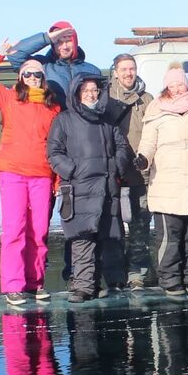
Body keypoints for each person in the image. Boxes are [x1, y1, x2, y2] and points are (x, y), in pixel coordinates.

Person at [0, 44, 63, 306]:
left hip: (42, 175)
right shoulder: (9, 98)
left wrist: (57, 178)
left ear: (43, 78)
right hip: (13, 173)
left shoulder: (53, 107)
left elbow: (56, 144)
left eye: (37, 74)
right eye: (28, 74)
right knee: (15, 229)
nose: (33, 78)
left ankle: (35, 283)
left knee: (39, 231)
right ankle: (13, 286)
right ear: (20, 78)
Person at [47, 75, 133, 302]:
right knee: (82, 238)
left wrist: (115, 167)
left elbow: (122, 147)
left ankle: (114, 282)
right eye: (85, 90)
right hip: (79, 188)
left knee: (110, 237)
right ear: (76, 93)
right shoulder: (64, 120)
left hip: (106, 186)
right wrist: (72, 170)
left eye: (94, 90)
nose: (90, 94)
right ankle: (84, 287)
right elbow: (54, 152)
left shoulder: (108, 120)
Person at [136, 61, 188, 296]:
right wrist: (143, 158)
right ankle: (170, 278)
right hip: (166, 180)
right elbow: (148, 142)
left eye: (181, 84)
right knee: (169, 237)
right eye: (173, 85)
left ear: (187, 84)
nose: (178, 89)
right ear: (166, 87)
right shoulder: (156, 109)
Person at [104, 53, 154, 287]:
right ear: (115, 72)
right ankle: (114, 273)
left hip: (139, 173)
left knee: (140, 225)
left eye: (131, 68)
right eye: (123, 69)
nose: (128, 73)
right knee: (111, 226)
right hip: (112, 172)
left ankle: (137, 273)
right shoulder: (104, 96)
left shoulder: (147, 99)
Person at [6, 20, 102, 106]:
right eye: (59, 42)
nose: (64, 46)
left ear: (75, 42)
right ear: (52, 44)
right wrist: (47, 38)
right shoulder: (42, 66)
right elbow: (14, 54)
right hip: (54, 123)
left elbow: (102, 103)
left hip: (84, 124)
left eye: (68, 41)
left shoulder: (92, 70)